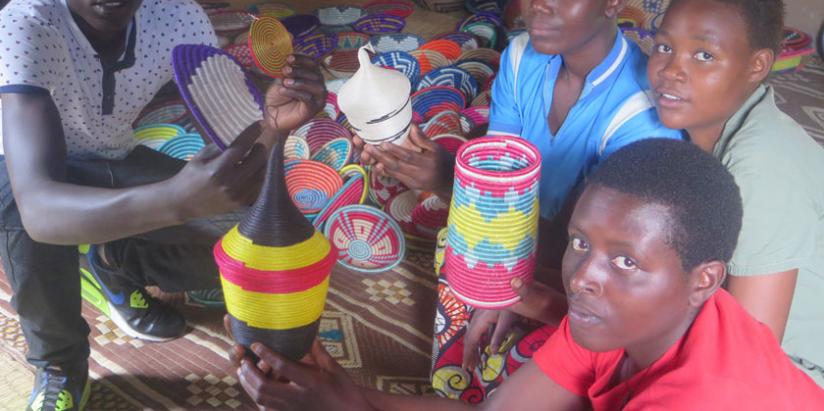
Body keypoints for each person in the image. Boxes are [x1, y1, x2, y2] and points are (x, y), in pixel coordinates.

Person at [0, 0, 326, 410]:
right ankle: (59, 364)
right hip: (23, 170)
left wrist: (271, 124)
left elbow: (234, 144)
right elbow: (40, 208)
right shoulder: (26, 24)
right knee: (21, 219)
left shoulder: (176, 18)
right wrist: (176, 200)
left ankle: (114, 262)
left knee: (250, 230)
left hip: (114, 154)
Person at [231, 138, 824, 410]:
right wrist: (349, 399)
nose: (582, 276)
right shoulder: (622, 315)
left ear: (704, 280)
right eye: (577, 242)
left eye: (626, 260)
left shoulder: (706, 396)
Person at [358, 0, 681, 400]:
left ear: (614, 1)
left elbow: (599, 256)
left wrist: (453, 186)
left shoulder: (639, 116)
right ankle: (462, 381)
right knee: (459, 253)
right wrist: (440, 175)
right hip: (518, 239)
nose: (539, 5)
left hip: (588, 277)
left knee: (539, 360)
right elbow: (497, 172)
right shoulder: (519, 58)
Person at [647, 0, 824, 386]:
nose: (672, 70)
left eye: (704, 55)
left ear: (758, 65)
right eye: (665, 46)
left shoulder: (761, 169)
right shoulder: (706, 133)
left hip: (799, 373)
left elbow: (750, 361)